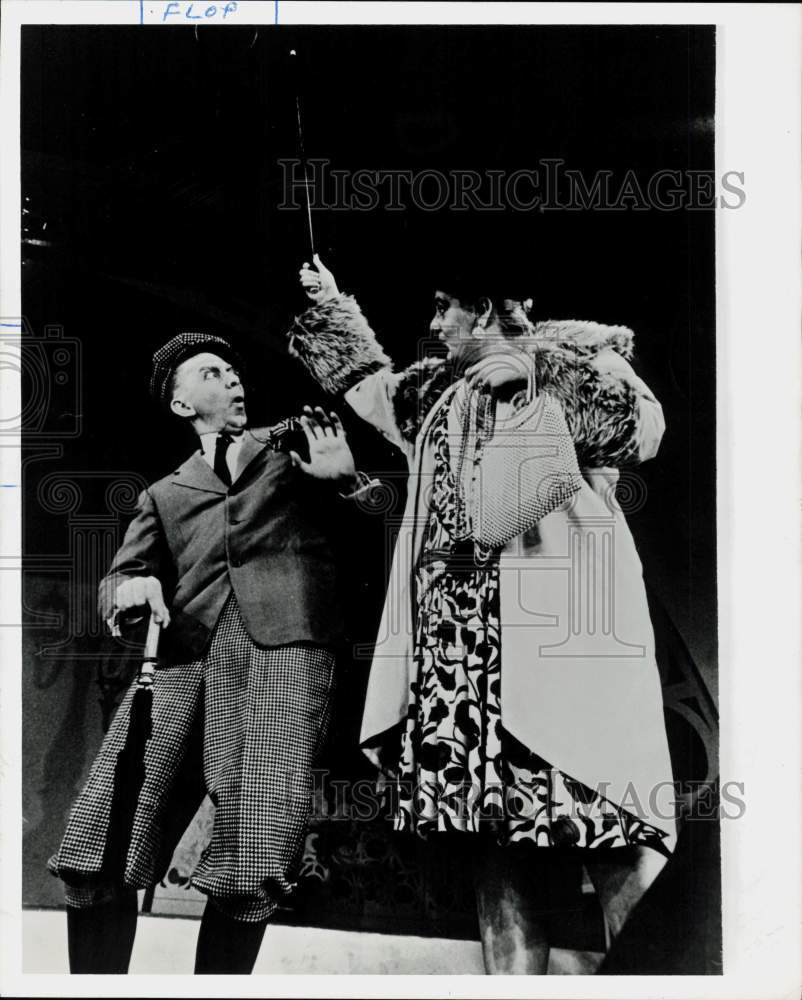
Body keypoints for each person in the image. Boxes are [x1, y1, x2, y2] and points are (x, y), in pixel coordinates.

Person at [289, 255, 677, 974]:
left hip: (557, 647)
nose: (434, 324)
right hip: (459, 664)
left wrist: (533, 374)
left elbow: (642, 431)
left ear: (492, 307)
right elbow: (370, 389)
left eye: (446, 307)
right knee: (496, 847)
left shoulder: (583, 359)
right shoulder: (438, 389)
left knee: (611, 829)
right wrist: (331, 304)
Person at [48, 331, 371, 974]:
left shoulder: (296, 450)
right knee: (103, 838)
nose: (231, 379)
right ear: (180, 404)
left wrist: (350, 485)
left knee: (252, 857)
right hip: (183, 660)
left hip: (281, 660)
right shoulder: (164, 493)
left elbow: (385, 524)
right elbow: (118, 578)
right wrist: (130, 588)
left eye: (233, 370)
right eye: (211, 372)